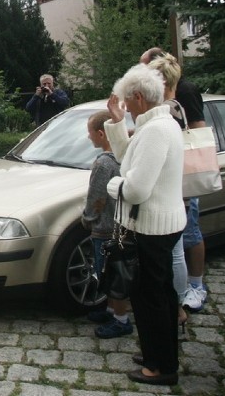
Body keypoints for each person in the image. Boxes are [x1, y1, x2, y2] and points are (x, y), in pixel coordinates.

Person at [105, 63, 185, 386]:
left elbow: (136, 188)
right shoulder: (159, 124)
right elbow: (128, 157)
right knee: (161, 295)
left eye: (127, 100)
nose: (126, 105)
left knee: (150, 299)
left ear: (139, 96)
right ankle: (159, 352)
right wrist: (116, 122)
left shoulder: (156, 130)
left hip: (152, 228)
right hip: (160, 224)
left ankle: (160, 366)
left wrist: (114, 185)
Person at [141, 47, 209, 312]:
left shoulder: (185, 93)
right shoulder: (159, 101)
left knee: (189, 234)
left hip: (182, 176)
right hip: (168, 176)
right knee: (179, 242)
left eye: (145, 68)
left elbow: (198, 133)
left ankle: (195, 287)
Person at [81, 111, 132, 339]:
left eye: (90, 132)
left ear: (101, 134)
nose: (88, 136)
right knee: (115, 270)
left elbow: (96, 198)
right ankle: (111, 310)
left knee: (111, 274)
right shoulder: (125, 155)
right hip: (122, 225)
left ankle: (121, 320)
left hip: (105, 228)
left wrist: (87, 218)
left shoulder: (103, 163)